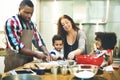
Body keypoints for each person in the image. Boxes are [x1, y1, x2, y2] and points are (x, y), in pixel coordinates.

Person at [4, 0, 51, 72]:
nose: (29, 16)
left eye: (31, 13)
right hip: (13, 62)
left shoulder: (31, 24)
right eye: (26, 12)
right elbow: (16, 46)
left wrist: (46, 52)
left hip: (28, 62)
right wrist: (36, 54)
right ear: (19, 9)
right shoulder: (11, 22)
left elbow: (38, 40)